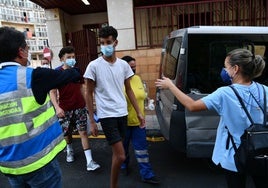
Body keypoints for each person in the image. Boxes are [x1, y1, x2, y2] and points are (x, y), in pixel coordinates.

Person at [155, 48, 267, 188]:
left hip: (233, 154)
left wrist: (171, 86)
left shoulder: (224, 93)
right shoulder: (264, 90)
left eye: (226, 67)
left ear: (235, 69)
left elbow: (192, 105)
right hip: (261, 150)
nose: (224, 70)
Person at [0, 27, 80, 187]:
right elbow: (72, 74)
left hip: (9, 167)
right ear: (21, 52)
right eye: (27, 49)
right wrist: (71, 68)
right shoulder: (34, 76)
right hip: (39, 164)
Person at [83, 26, 145, 188]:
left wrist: (139, 112)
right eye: (102, 43)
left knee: (117, 155)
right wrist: (92, 120)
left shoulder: (123, 66)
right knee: (122, 156)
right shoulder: (94, 66)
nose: (105, 46)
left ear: (115, 42)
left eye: (108, 42)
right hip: (107, 116)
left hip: (122, 114)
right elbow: (88, 94)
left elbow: (129, 90)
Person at [49, 46, 100, 171]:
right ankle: (70, 150)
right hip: (65, 109)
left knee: (83, 132)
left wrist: (89, 105)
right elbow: (52, 92)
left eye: (73, 57)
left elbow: (83, 89)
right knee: (67, 133)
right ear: (62, 59)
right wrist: (57, 108)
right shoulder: (57, 73)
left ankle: (89, 161)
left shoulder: (77, 71)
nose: (72, 59)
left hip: (80, 107)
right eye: (68, 57)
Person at [121, 55, 160, 184]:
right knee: (123, 148)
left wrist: (148, 102)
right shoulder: (118, 81)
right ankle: (124, 165)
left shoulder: (138, 79)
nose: (133, 70)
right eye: (131, 67)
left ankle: (147, 174)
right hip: (123, 123)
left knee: (142, 149)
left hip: (139, 122)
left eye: (134, 67)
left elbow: (143, 95)